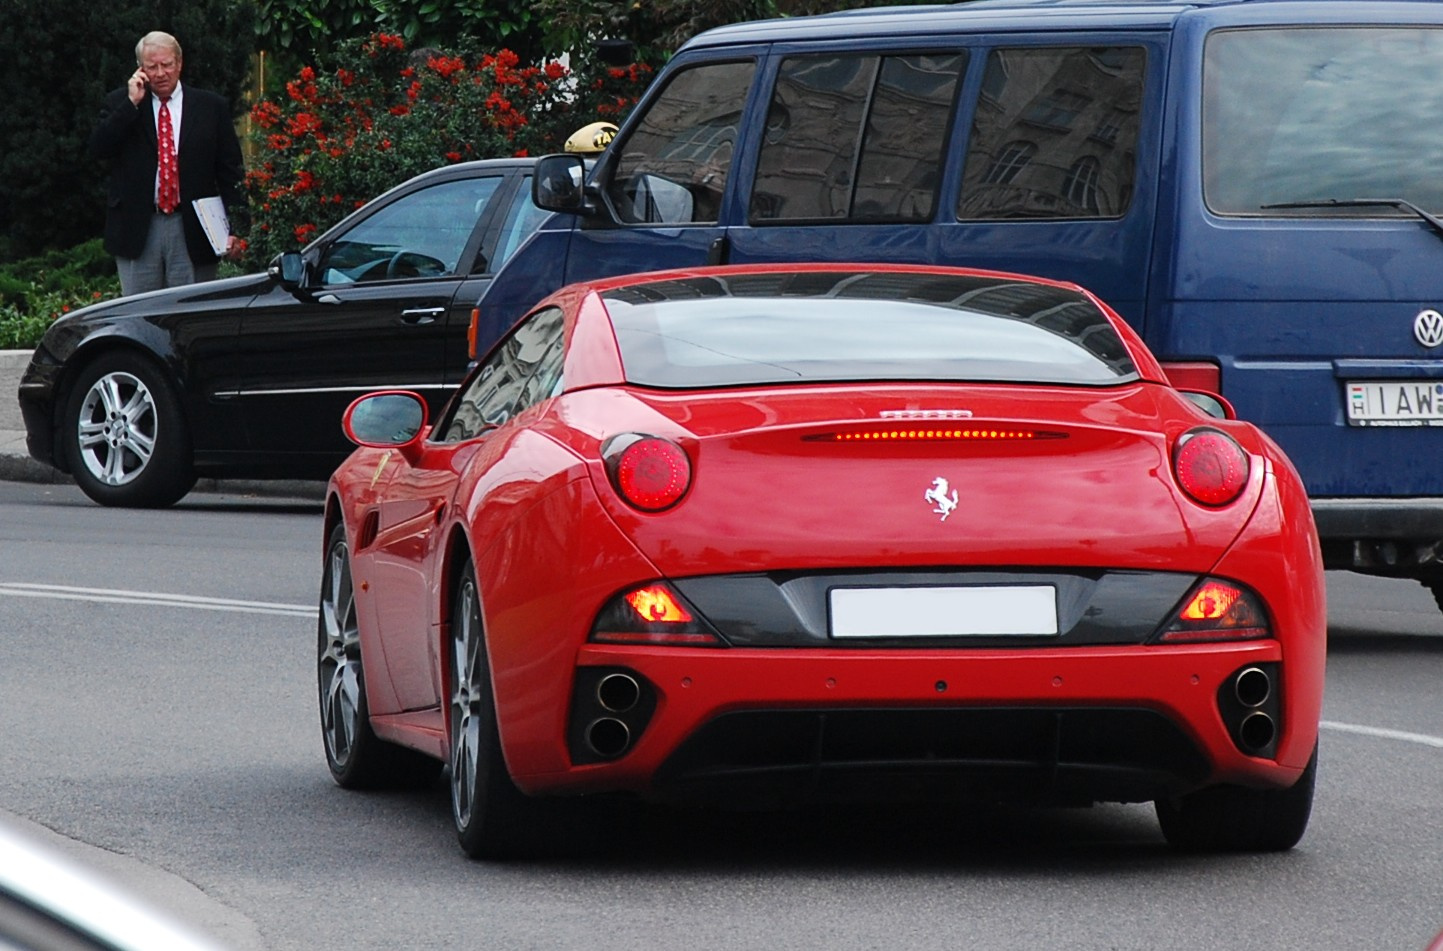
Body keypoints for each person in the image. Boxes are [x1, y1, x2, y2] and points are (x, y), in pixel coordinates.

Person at [89, 31, 246, 296]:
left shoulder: (211, 107)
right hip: (139, 227)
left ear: (179, 63)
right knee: (140, 316)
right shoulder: (121, 103)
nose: (161, 73)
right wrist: (131, 105)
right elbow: (98, 149)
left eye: (167, 65)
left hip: (193, 227)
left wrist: (239, 227)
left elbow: (231, 171)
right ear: (140, 69)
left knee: (192, 314)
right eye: (152, 67)